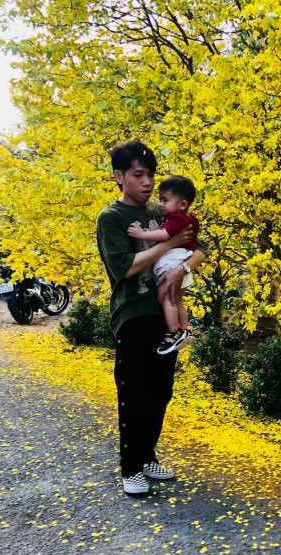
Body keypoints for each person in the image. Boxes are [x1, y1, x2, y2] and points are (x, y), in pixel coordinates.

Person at [95, 140, 207, 496]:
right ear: (119, 176)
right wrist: (166, 247)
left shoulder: (163, 213)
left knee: (161, 392)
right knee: (134, 393)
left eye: (151, 175)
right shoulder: (112, 218)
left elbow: (199, 247)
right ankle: (130, 468)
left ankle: (146, 457)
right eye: (138, 175)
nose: (147, 183)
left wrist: (183, 267)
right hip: (132, 314)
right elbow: (124, 268)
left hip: (164, 316)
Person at [127, 175, 200, 355]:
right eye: (160, 200)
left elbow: (164, 235)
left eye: (165, 200)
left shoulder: (180, 219)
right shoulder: (175, 215)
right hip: (175, 264)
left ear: (182, 204)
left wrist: (140, 234)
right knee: (175, 301)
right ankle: (184, 329)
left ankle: (171, 334)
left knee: (166, 300)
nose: (160, 204)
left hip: (173, 266)